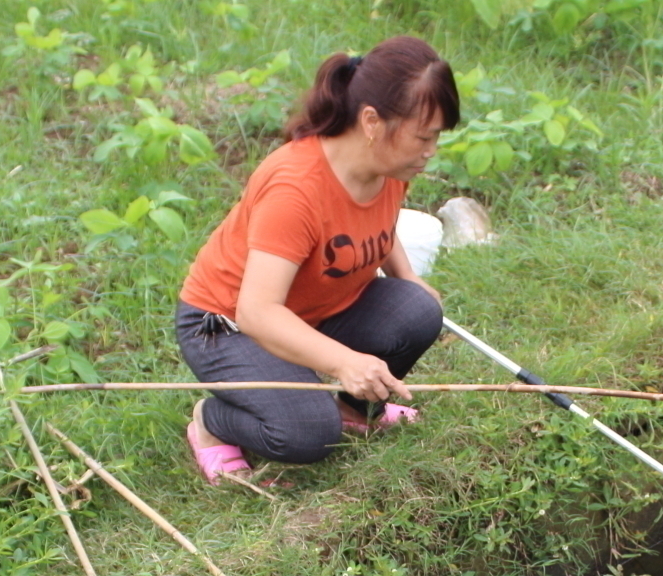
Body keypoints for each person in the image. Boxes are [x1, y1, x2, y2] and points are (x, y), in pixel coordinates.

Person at [175, 36, 460, 484]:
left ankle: (354, 411)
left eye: (436, 137)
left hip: (312, 312)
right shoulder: (296, 190)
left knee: (418, 309)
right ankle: (212, 421)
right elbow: (257, 311)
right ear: (372, 122)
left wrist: (407, 278)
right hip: (228, 325)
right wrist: (345, 362)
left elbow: (376, 227)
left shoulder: (387, 166)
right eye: (424, 137)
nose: (431, 151)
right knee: (307, 434)